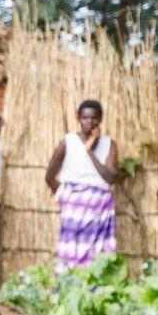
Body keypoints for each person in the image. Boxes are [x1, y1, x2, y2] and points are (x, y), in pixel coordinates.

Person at [44, 100, 119, 270]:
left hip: (101, 208)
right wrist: (67, 198)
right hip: (74, 210)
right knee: (71, 252)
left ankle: (96, 294)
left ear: (100, 119)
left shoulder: (109, 144)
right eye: (85, 117)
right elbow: (49, 177)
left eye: (94, 118)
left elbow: (111, 178)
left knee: (99, 254)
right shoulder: (68, 142)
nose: (90, 122)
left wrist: (90, 151)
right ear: (78, 118)